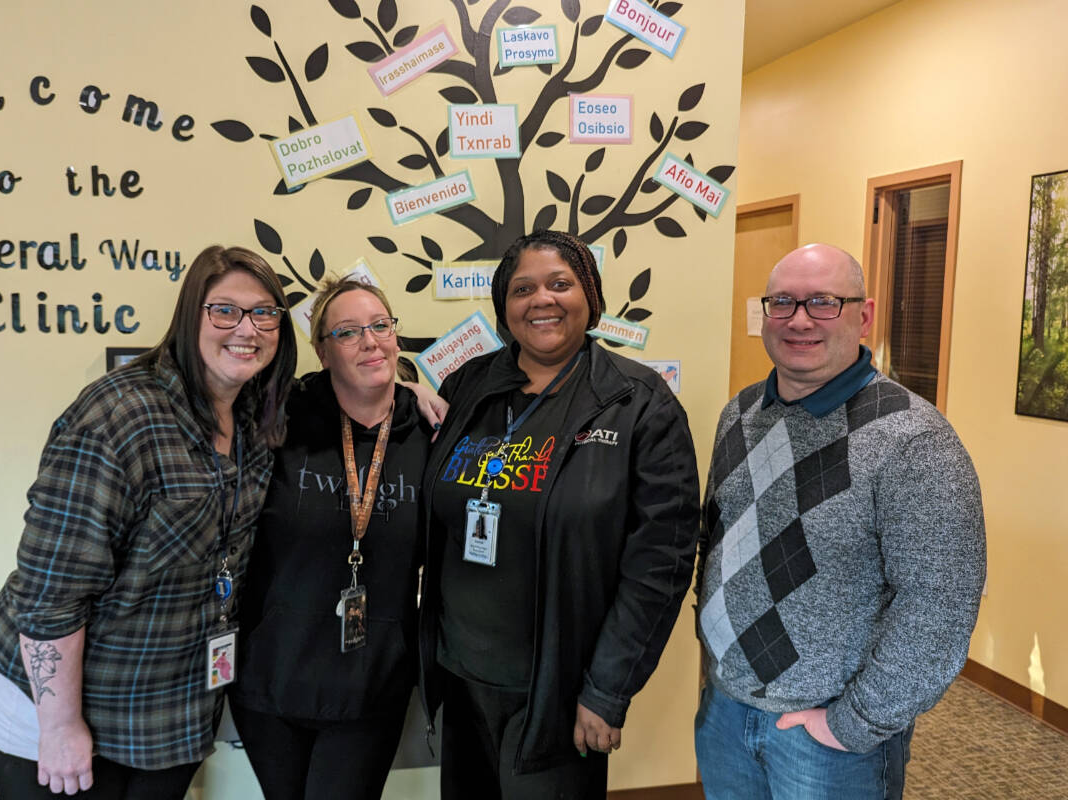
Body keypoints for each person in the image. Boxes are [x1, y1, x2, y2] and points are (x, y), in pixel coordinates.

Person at [0, 245, 298, 799]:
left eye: (264, 312)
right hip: (60, 708)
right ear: (190, 316)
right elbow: (50, 592)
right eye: (225, 310)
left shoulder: (253, 413)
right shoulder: (116, 416)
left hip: (167, 711)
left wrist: (404, 391)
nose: (246, 328)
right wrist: (59, 727)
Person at [693, 243, 986, 799]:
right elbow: (722, 553)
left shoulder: (914, 441)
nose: (799, 320)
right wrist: (715, 682)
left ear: (864, 314)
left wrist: (852, 725)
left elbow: (940, 604)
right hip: (726, 715)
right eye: (782, 303)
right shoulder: (739, 415)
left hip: (827, 742)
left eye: (823, 302)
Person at [419, 230, 701, 799]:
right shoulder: (468, 385)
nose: (541, 299)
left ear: (590, 298)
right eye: (522, 288)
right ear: (504, 306)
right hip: (462, 672)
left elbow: (660, 565)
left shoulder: (638, 403)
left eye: (560, 283)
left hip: (558, 690)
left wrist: (607, 690)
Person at [229, 277, 434, 800]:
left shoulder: (432, 431)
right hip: (272, 679)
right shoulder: (280, 416)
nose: (370, 341)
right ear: (321, 350)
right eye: (347, 332)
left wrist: (413, 390)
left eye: (380, 326)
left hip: (371, 685)